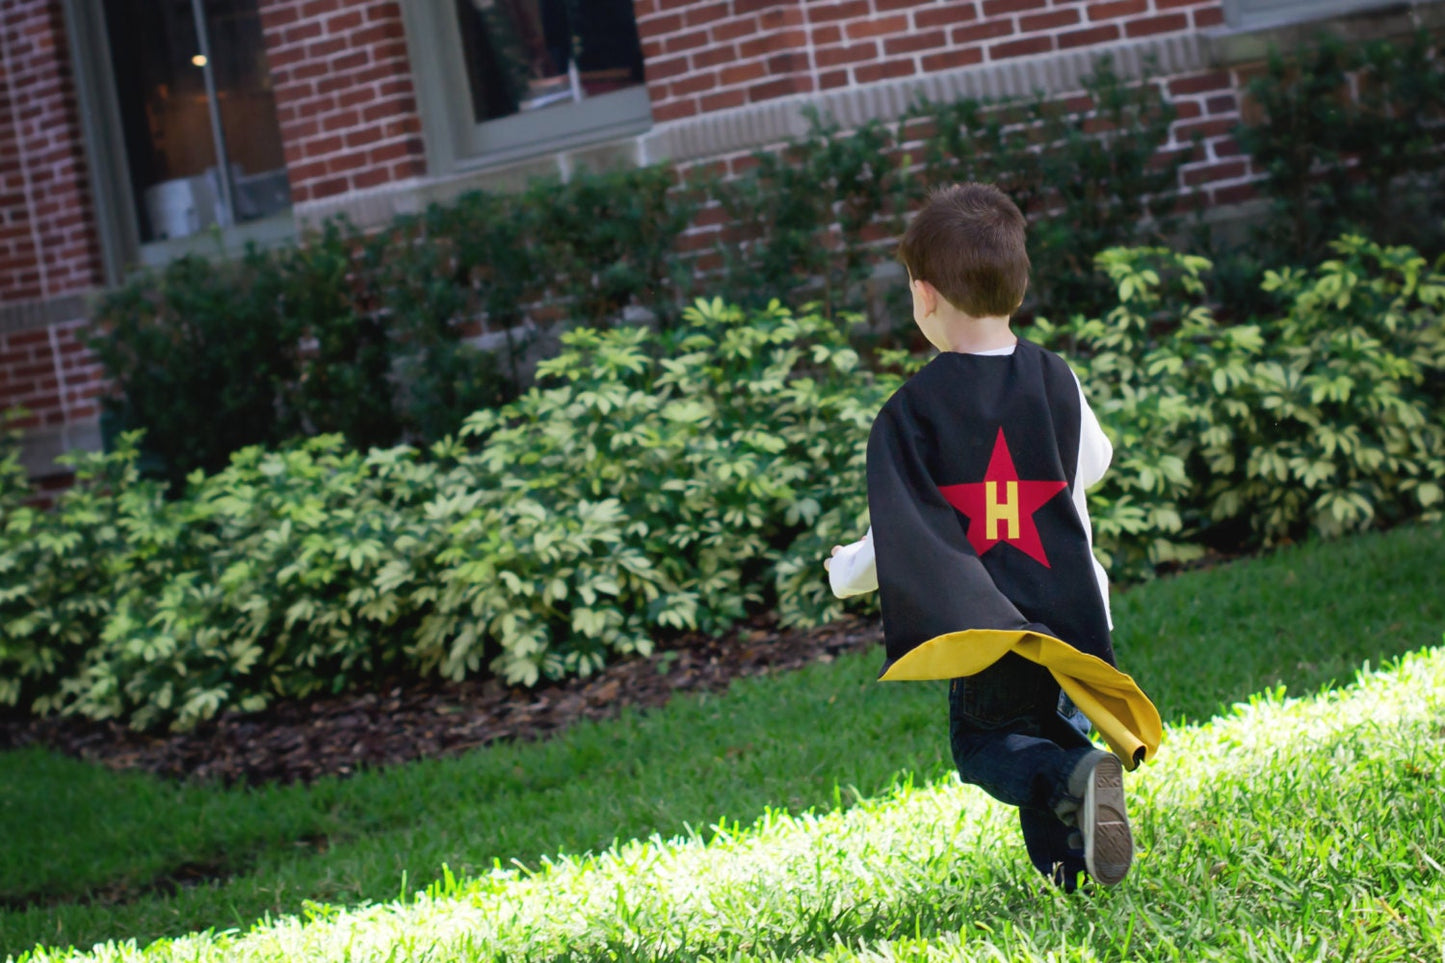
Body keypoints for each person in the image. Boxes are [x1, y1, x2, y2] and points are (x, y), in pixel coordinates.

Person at [824, 183, 1160, 891]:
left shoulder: (913, 409)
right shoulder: (1054, 377)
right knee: (1051, 732)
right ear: (1016, 282)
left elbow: (900, 533)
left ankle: (1077, 777)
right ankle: (1070, 873)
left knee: (987, 745)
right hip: (1073, 611)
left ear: (923, 297)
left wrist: (843, 571)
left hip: (990, 624)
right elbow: (1092, 463)